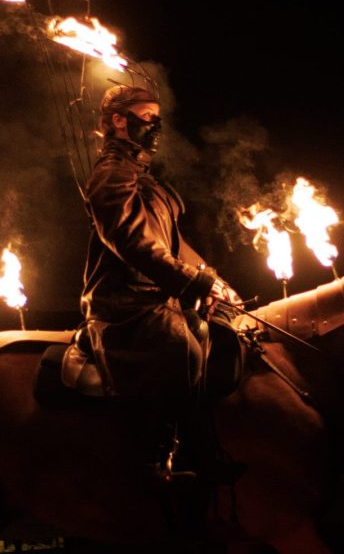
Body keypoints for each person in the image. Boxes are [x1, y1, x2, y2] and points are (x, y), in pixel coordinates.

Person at [62, 83, 243, 482]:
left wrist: (215, 282)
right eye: (148, 119)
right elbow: (132, 240)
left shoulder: (145, 179)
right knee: (181, 348)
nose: (156, 128)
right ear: (118, 121)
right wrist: (189, 282)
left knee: (226, 334)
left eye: (158, 120)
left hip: (159, 294)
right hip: (126, 303)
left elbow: (171, 243)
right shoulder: (111, 175)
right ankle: (160, 457)